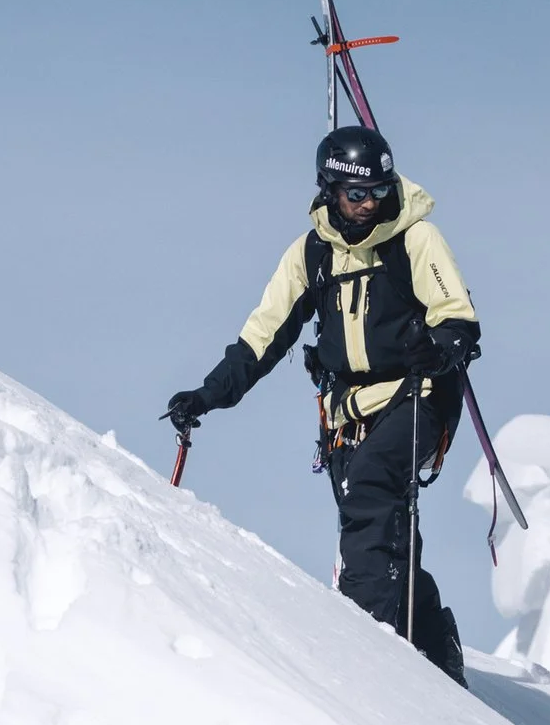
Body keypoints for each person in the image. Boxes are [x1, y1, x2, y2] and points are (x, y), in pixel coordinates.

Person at [165, 126, 480, 684]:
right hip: (346, 412)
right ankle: (434, 645)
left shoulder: (415, 239)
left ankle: (371, 656)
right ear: (329, 189)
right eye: (356, 194)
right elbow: (263, 335)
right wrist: (208, 395)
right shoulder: (311, 254)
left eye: (379, 193)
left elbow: (456, 315)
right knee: (380, 528)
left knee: (370, 491)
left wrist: (443, 344)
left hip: (417, 393)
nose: (368, 205)